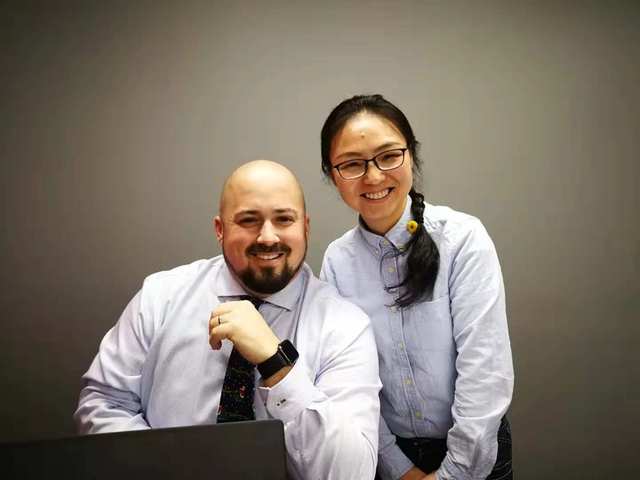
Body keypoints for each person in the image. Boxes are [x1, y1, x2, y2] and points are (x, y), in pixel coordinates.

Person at [74, 160, 381, 480]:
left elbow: (351, 474)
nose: (268, 237)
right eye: (249, 220)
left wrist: (277, 364)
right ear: (220, 229)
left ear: (305, 227)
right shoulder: (159, 297)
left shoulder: (346, 326)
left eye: (284, 219)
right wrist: (164, 468)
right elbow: (103, 406)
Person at [319, 95, 514, 480]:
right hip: (385, 456)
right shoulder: (337, 262)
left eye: (388, 156)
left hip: (474, 451)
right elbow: (348, 382)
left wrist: (453, 473)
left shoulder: (462, 239)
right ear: (332, 173)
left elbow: (486, 371)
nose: (374, 177)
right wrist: (398, 468)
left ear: (411, 155)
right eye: (352, 164)